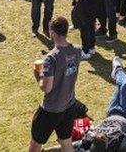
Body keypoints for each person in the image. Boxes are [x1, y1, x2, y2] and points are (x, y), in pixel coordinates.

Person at [72, 57, 126, 151]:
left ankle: (118, 71)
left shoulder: (87, 142)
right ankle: (118, 69)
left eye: (97, 136)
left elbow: (66, 145)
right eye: (104, 138)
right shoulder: (118, 143)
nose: (103, 134)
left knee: (121, 85)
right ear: (107, 144)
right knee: (124, 85)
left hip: (112, 111)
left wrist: (53, 148)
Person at [30, 17, 85, 152]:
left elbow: (47, 88)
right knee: (66, 142)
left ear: (52, 33)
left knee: (35, 145)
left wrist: (38, 75)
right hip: (69, 105)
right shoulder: (77, 51)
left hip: (51, 109)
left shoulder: (51, 58)